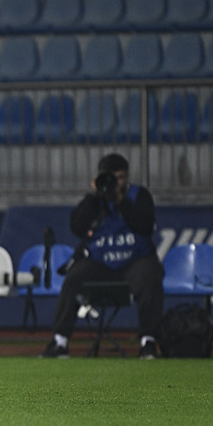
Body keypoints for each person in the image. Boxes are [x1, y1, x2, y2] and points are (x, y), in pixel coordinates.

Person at [41, 153, 164, 359]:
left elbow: (145, 226)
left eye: (121, 177)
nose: (116, 182)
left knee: (150, 276)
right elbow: (77, 227)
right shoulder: (94, 202)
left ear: (127, 177)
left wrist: (121, 201)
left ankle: (148, 342)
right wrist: (94, 196)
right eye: (111, 178)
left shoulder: (139, 195)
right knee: (74, 278)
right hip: (101, 262)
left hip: (135, 260)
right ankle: (60, 341)